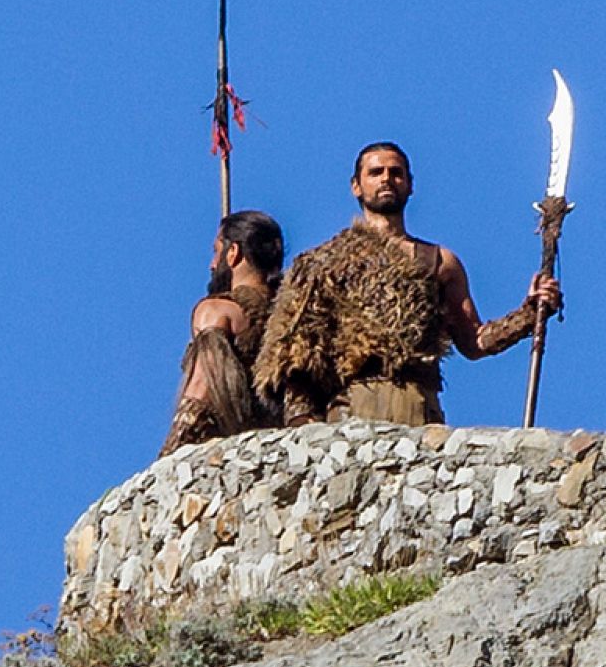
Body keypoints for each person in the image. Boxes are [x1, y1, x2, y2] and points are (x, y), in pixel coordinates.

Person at [253, 141, 562, 426]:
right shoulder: (322, 262)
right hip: (353, 404)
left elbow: (474, 342)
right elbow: (295, 355)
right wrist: (304, 426)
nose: (387, 179)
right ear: (356, 187)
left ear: (410, 185)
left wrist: (529, 312)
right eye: (376, 172)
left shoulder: (441, 262)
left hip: (419, 404)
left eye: (396, 173)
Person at [159, 210, 286, 457]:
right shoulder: (291, 316)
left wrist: (174, 449)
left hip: (229, 443)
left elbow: (202, 384)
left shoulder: (217, 311)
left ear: (233, 253)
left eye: (217, 251)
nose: (212, 264)